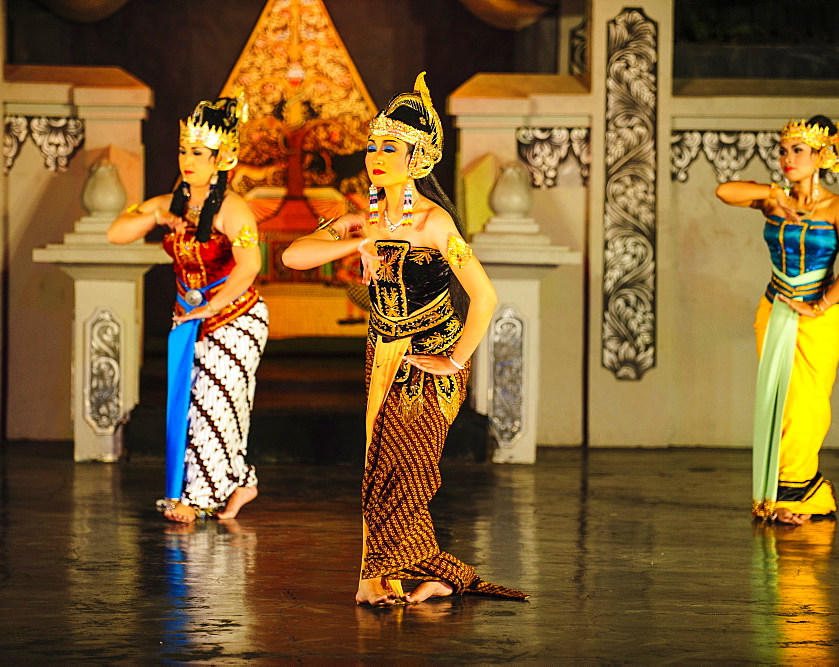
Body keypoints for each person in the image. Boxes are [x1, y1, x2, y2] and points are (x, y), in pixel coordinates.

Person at [282, 73, 528, 605]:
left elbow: (484, 298)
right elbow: (291, 256)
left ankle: (441, 573)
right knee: (379, 471)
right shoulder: (359, 221)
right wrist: (355, 242)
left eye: (390, 146)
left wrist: (456, 361)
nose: (376, 155)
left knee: (411, 475)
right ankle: (388, 578)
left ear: (418, 158)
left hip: (428, 362)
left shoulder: (434, 224)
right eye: (372, 145)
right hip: (382, 354)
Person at [107, 96, 269, 523]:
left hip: (236, 317)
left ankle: (196, 499)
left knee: (215, 405)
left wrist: (210, 307)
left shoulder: (234, 210)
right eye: (183, 150)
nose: (187, 160)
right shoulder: (172, 202)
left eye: (197, 152)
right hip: (192, 316)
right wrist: (157, 214)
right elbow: (117, 232)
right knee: (196, 404)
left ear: (222, 157)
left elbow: (250, 266)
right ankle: (241, 483)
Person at [715, 116, 839, 525]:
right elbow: (723, 191)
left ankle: (799, 494)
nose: (787, 158)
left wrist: (819, 306)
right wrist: (771, 194)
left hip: (818, 318)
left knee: (807, 405)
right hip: (775, 310)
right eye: (783, 151)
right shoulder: (773, 199)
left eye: (797, 151)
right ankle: (782, 494)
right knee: (778, 403)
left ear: (820, 156)